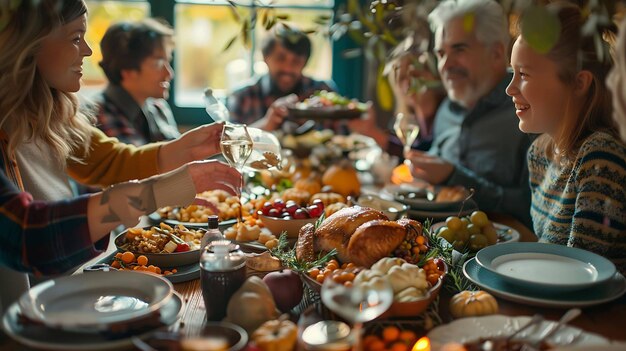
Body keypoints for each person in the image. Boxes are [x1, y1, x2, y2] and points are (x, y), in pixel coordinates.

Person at [0, 0, 241, 277]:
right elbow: (28, 238)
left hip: (60, 288)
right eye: (76, 38)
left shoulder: (50, 113)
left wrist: (185, 149)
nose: (88, 50)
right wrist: (162, 190)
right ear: (27, 44)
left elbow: (111, 162)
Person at [507, 2, 625, 273]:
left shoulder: (600, 158)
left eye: (523, 74)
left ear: (578, 83)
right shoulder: (539, 154)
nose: (510, 88)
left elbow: (578, 276)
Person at [406, 0, 533, 226]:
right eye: (441, 53)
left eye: (459, 49)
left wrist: (453, 176)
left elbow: (530, 207)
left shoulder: (527, 112)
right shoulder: (446, 109)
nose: (445, 65)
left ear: (496, 53)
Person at [227, 26, 336, 131]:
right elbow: (229, 140)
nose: (288, 68)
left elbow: (346, 136)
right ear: (265, 58)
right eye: (280, 58)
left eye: (296, 61)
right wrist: (266, 124)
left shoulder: (323, 91)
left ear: (305, 62)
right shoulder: (243, 96)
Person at [93, 18, 180, 146]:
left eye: (168, 61)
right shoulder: (98, 117)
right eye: (158, 63)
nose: (169, 73)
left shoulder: (157, 107)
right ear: (127, 69)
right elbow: (138, 164)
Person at [348, 49, 446, 156]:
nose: (409, 82)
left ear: (434, 76)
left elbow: (425, 155)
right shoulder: (405, 120)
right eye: (402, 78)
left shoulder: (448, 115)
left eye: (415, 74)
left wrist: (373, 132)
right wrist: (369, 130)